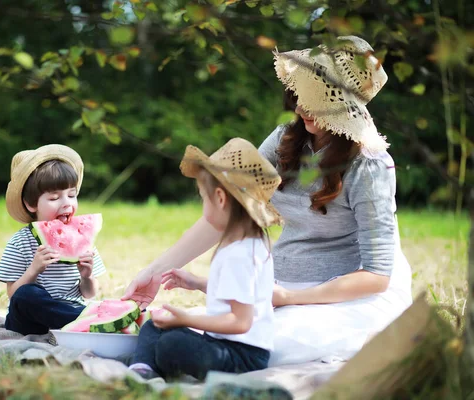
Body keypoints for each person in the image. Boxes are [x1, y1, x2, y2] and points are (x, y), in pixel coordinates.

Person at [122, 36, 413, 365]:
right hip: (278, 287)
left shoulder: (369, 165)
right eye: (300, 95)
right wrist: (156, 271)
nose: (301, 108)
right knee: (203, 330)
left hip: (344, 297)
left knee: (268, 347)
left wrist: (291, 297)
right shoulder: (284, 140)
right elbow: (226, 214)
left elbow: (376, 276)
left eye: (316, 100)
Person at [129, 138, 281, 380]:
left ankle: (152, 361)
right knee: (154, 326)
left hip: (242, 357)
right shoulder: (248, 243)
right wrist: (196, 282)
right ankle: (144, 368)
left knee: (172, 344)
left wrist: (188, 319)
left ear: (220, 199)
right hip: (224, 344)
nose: (203, 206)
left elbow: (241, 321)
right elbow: (240, 295)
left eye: (203, 198)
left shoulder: (239, 253)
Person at [0, 144, 107, 335]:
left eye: (72, 195)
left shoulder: (81, 240)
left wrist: (86, 276)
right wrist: (33, 269)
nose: (67, 203)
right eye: (55, 198)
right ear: (31, 204)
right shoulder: (20, 243)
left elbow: (89, 293)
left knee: (89, 305)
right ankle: (90, 322)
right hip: (29, 323)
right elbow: (13, 295)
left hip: (69, 310)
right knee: (26, 295)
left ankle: (80, 321)